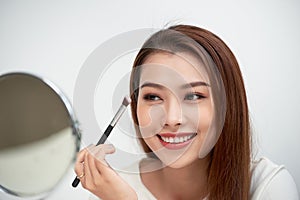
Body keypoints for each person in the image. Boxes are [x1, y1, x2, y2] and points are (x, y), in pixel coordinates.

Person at [74, 25, 299, 200]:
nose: (172, 119)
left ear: (226, 105)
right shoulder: (111, 188)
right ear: (134, 107)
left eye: (193, 96)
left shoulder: (268, 186)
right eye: (153, 97)